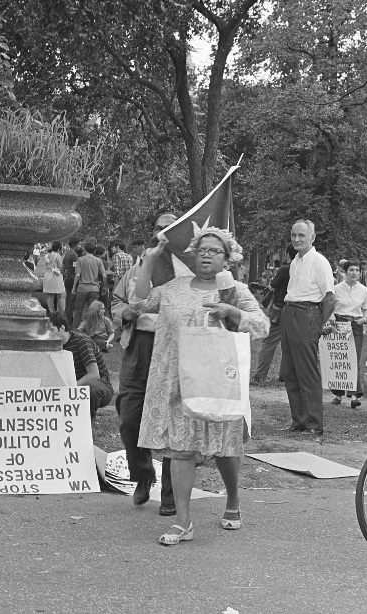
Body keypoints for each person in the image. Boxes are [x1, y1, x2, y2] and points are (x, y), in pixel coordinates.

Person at [133, 226, 268, 545]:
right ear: (193, 255)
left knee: (224, 448)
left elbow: (262, 324)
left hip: (217, 381)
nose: (206, 255)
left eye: (214, 250)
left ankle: (233, 501)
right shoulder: (174, 287)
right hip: (178, 381)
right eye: (202, 249)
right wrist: (150, 262)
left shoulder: (232, 288)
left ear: (227, 259)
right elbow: (140, 300)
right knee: (180, 450)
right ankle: (183, 522)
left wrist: (232, 311)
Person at [112, 213, 178, 513]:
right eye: (157, 228)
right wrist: (125, 313)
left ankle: (171, 494)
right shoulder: (138, 266)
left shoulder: (183, 270)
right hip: (137, 346)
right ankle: (142, 475)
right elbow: (116, 302)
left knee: (171, 419)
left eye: (168, 229)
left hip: (171, 349)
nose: (161, 234)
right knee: (129, 416)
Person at [280, 220, 336, 435]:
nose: (296, 239)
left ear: (312, 237)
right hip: (290, 312)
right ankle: (299, 420)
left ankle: (314, 423)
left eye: (301, 235)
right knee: (290, 370)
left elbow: (329, 298)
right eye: (293, 235)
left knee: (307, 371)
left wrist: (320, 324)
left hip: (308, 313)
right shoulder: (295, 261)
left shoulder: (319, 261)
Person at [48, 312, 113, 419]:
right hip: (73, 384)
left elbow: (94, 375)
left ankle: (88, 421)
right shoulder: (52, 346)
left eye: (52, 330)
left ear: (62, 328)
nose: (48, 334)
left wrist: (72, 388)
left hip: (100, 385)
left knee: (92, 388)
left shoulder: (81, 341)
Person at [329, 260, 367, 408]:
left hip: (355, 325)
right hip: (339, 324)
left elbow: (366, 308)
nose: (354, 273)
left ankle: (354, 395)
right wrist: (331, 317)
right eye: (351, 270)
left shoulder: (363, 290)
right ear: (345, 272)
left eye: (357, 270)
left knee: (354, 358)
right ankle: (337, 394)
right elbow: (330, 306)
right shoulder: (336, 288)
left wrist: (364, 318)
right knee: (340, 359)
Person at [251, 246, 296, 384]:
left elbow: (272, 287)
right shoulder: (305, 268)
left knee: (269, 343)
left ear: (288, 254)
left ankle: (259, 376)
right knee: (291, 345)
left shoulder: (285, 269)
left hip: (279, 309)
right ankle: (285, 376)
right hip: (296, 311)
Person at [71, 239, 106, 329]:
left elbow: (77, 275)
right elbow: (104, 275)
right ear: (94, 250)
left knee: (78, 311)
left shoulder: (81, 260)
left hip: (82, 288)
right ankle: (94, 330)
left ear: (84, 249)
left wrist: (74, 287)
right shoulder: (98, 260)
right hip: (94, 289)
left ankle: (75, 330)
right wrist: (104, 287)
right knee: (93, 311)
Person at [43, 241, 67, 315]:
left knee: (49, 296)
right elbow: (60, 267)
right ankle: (60, 313)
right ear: (59, 249)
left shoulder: (47, 255)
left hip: (48, 276)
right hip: (55, 276)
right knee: (61, 295)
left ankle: (50, 312)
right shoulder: (57, 256)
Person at [62, 237, 81, 324]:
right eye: (79, 244)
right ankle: (69, 319)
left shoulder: (66, 254)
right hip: (72, 279)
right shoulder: (74, 255)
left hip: (67, 278)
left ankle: (66, 316)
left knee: (68, 297)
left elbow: (62, 268)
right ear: (74, 245)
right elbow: (75, 269)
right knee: (72, 299)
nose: (80, 246)